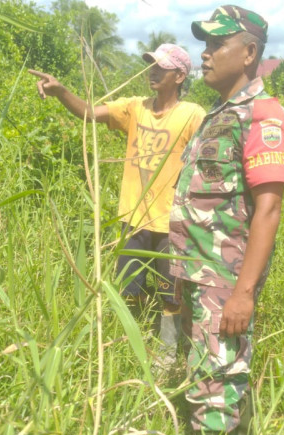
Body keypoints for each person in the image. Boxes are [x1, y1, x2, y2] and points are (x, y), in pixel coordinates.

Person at [169, 6, 284, 435]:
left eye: (216, 45)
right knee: (203, 375)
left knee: (217, 382)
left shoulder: (263, 116)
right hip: (198, 278)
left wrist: (242, 294)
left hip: (225, 281)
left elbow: (269, 209)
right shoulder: (217, 115)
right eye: (204, 45)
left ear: (249, 53)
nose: (205, 55)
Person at [30, 44, 205, 369]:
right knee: (130, 288)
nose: (152, 71)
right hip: (133, 218)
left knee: (169, 294)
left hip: (171, 223)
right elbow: (89, 113)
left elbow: (208, 159)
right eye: (151, 64)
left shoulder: (192, 114)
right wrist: (62, 91)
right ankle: (131, 342)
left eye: (160, 67)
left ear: (180, 76)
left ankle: (167, 353)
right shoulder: (134, 108)